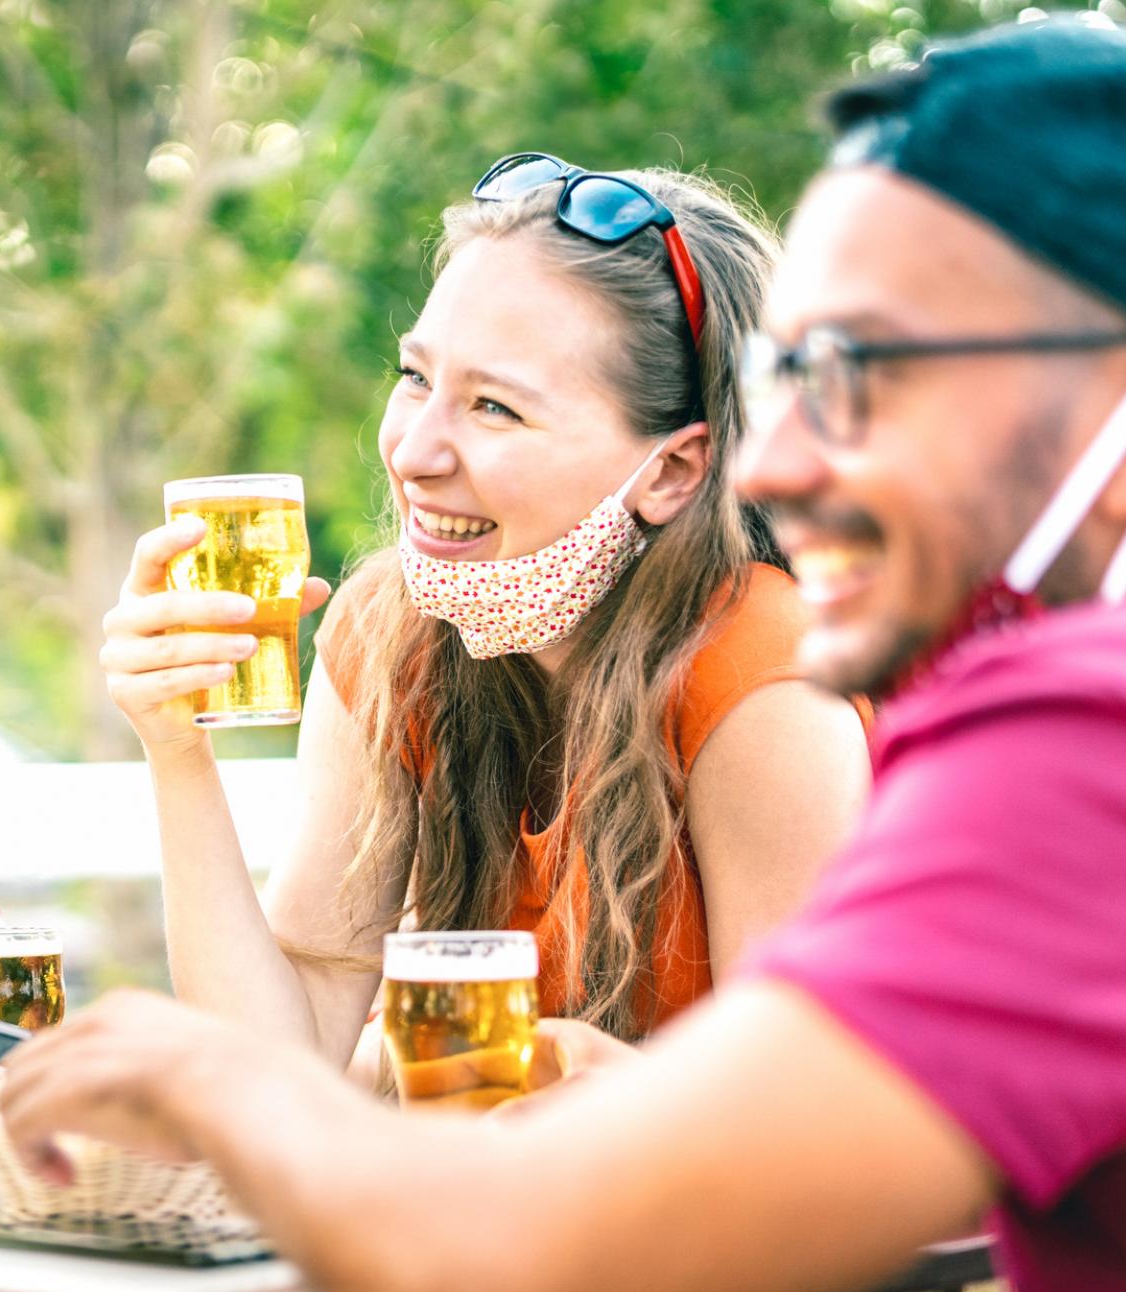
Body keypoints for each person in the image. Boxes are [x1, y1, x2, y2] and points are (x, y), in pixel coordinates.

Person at [0, 18, 1126, 1292]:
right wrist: (178, 748)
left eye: (873, 376)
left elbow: (705, 1209)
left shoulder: (1075, 727)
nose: (781, 468)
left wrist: (221, 1089)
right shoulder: (402, 635)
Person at [101, 157, 868, 1077]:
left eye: (494, 407)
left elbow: (804, 1109)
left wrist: (595, 1080)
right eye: (416, 377)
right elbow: (277, 1063)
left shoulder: (764, 672)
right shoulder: (390, 635)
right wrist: (175, 747)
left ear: (672, 471)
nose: (414, 453)